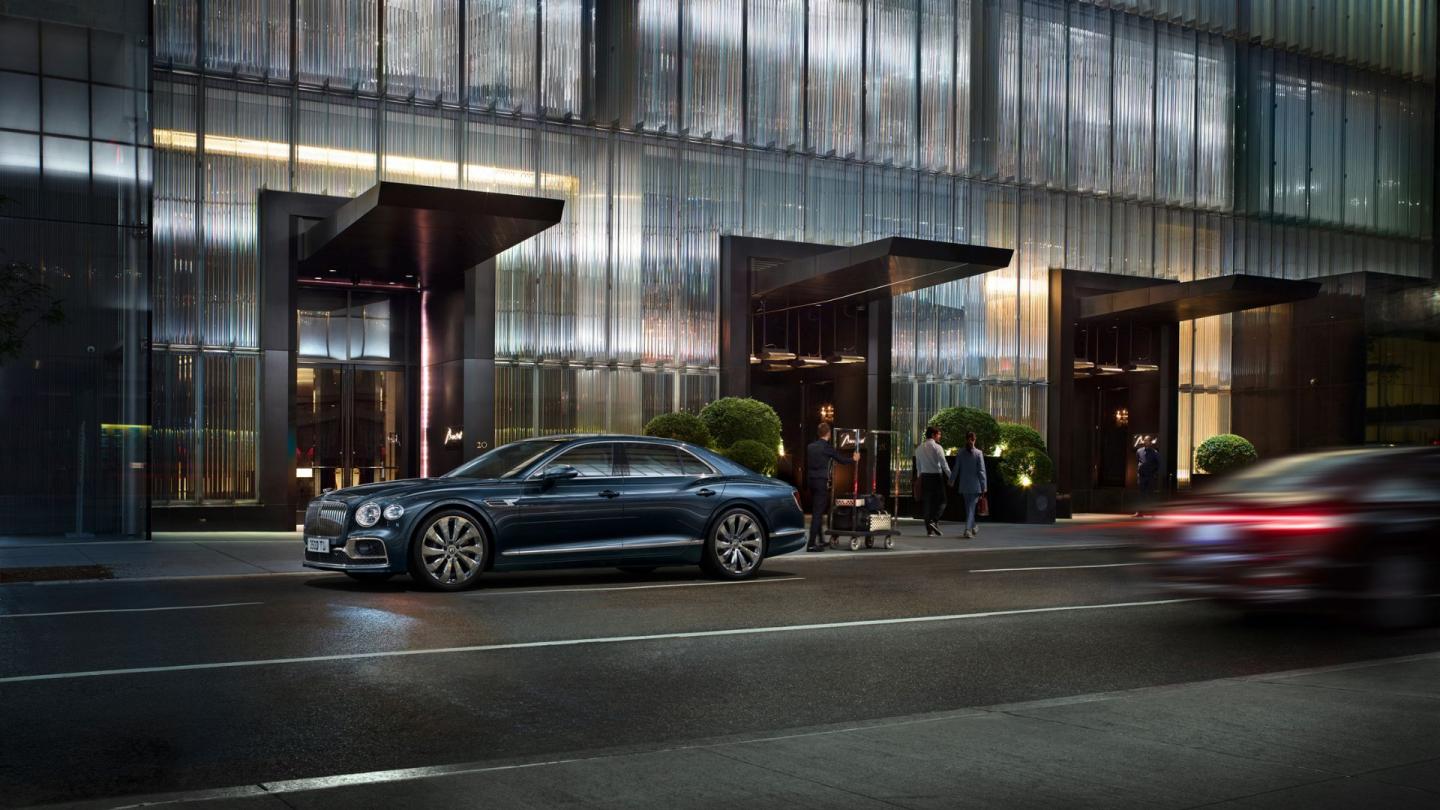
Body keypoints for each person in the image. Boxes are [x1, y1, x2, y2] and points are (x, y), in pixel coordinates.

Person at [805, 422, 858, 552]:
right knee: (817, 514)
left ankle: (821, 540)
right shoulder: (826, 447)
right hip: (821, 482)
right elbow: (841, 460)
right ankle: (811, 544)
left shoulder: (810, 447)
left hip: (811, 481)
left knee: (816, 511)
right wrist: (853, 459)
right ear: (828, 434)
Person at [948, 431, 987, 539]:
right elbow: (981, 471)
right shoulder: (979, 453)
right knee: (970, 508)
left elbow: (956, 469)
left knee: (969, 508)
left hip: (964, 485)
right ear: (975, 440)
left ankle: (973, 526)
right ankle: (968, 530)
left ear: (966, 439)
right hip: (975, 486)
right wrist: (984, 486)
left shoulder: (960, 452)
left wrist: (952, 480)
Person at [914, 426, 951, 536]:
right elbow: (944, 464)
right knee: (943, 501)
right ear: (933, 435)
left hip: (924, 477)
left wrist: (919, 478)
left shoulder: (919, 448)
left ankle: (929, 530)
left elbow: (918, 467)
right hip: (936, 477)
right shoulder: (937, 447)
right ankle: (934, 521)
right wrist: (951, 477)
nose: (940, 436)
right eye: (938, 434)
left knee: (927, 503)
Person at [1135, 438, 1161, 517]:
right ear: (1144, 442)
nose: (1147, 442)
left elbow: (1158, 464)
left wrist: (1154, 473)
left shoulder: (1155, 452)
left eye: (1148, 441)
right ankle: (1140, 512)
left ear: (1151, 442)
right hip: (1142, 476)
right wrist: (1138, 473)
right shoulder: (1139, 451)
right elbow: (1138, 461)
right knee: (1141, 495)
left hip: (1150, 476)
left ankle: (1153, 512)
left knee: (1151, 495)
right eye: (1145, 441)